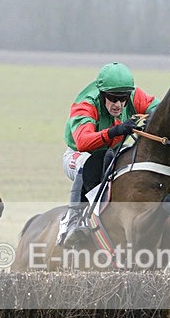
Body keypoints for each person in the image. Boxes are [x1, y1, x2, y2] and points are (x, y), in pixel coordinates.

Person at [60, 62, 160, 247]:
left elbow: (159, 110)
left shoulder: (134, 95)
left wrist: (150, 121)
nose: (119, 104)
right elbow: (83, 141)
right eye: (113, 98)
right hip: (80, 154)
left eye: (123, 99)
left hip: (112, 152)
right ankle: (73, 221)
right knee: (89, 163)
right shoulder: (86, 104)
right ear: (102, 94)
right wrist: (116, 130)